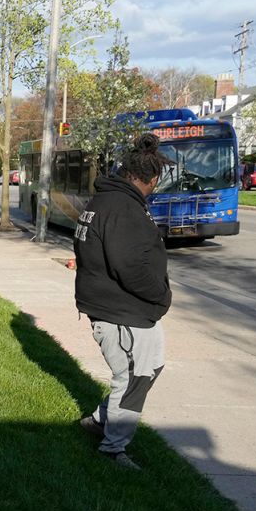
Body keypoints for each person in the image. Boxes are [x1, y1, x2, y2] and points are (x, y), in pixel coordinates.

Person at [74, 132, 173, 471]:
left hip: (127, 310)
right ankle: (113, 450)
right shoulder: (123, 208)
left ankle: (101, 421)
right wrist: (162, 296)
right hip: (121, 312)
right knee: (133, 378)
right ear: (152, 179)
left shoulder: (107, 200)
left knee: (151, 366)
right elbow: (128, 266)